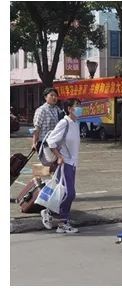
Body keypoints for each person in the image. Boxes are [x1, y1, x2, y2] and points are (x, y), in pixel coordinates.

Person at [41, 98, 82, 234]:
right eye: (77, 106)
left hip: (73, 163)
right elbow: (50, 141)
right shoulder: (64, 123)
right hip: (65, 163)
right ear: (69, 108)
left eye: (80, 106)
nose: (80, 108)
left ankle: (58, 220)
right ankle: (57, 218)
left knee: (61, 193)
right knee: (69, 193)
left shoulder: (75, 123)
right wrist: (59, 157)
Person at [31, 87, 61, 155]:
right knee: (50, 163)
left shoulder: (58, 109)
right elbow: (37, 127)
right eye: (51, 95)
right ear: (45, 97)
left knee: (57, 163)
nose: (54, 97)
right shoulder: (41, 110)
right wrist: (34, 143)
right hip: (44, 143)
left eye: (56, 96)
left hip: (55, 143)